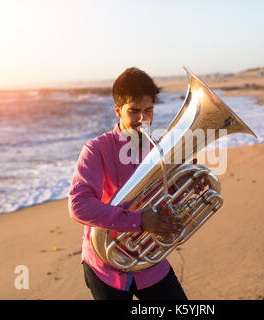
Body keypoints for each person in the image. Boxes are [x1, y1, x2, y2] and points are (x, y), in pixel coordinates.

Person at [68, 67, 188, 300]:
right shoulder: (96, 150)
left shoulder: (159, 150)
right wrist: (140, 220)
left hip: (151, 261)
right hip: (106, 265)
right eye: (134, 111)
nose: (143, 119)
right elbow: (79, 206)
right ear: (118, 111)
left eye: (149, 110)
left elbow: (165, 202)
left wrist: (181, 188)